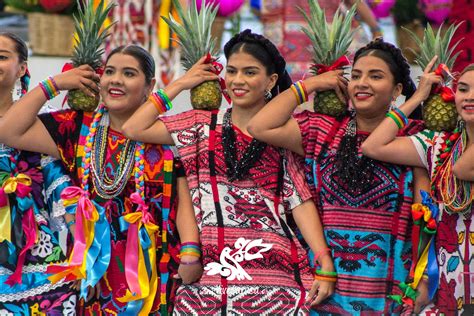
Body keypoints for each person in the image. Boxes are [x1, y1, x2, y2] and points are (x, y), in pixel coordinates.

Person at [122, 29, 335, 314]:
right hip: (210, 276)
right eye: (232, 71)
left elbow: (299, 199)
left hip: (275, 280)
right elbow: (134, 128)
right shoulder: (200, 126)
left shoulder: (282, 133)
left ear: (271, 81)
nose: (237, 80)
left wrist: (324, 261)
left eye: (249, 72)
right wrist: (182, 83)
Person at [0, 44, 197, 315]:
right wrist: (55, 84)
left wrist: (190, 252)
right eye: (110, 72)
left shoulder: (163, 135)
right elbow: (9, 131)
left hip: (153, 269)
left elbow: (183, 201)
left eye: (129, 74)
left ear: (150, 85)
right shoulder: (77, 128)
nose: (116, 79)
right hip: (94, 272)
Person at [247, 37, 427, 314]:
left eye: (375, 76)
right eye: (356, 76)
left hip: (389, 292)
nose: (362, 83)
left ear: (397, 89)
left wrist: (416, 101)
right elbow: (260, 126)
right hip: (324, 288)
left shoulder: (414, 137)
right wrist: (311, 85)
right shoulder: (322, 131)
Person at [361, 62, 474, 314]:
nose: (469, 97)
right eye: (463, 90)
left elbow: (462, 169)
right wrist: (418, 97)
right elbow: (373, 147)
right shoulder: (439, 145)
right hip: (448, 277)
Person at [0, 32, 76, 314]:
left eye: (2, 56)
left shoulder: (44, 118)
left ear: (22, 68)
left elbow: (62, 186)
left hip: (36, 247)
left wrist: (83, 252)